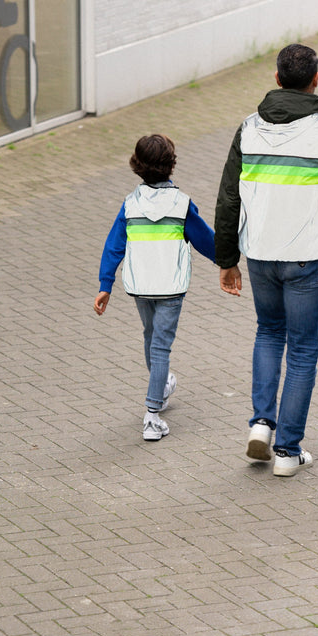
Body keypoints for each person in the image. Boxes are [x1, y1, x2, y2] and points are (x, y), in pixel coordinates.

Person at [215, 43, 318, 476]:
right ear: (315, 81)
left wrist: (227, 258)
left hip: (260, 256)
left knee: (268, 334)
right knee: (301, 351)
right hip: (307, 260)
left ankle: (261, 426)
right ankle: (287, 451)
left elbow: (228, 198)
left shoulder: (248, 129)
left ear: (278, 79)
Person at [95, 134, 217, 441]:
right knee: (161, 346)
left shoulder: (130, 205)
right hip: (171, 287)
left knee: (151, 338)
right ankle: (152, 417)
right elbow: (205, 240)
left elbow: (113, 247)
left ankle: (161, 386)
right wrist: (227, 261)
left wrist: (105, 284)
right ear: (171, 166)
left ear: (136, 166)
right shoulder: (181, 204)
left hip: (139, 285)